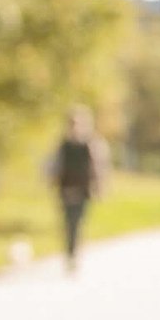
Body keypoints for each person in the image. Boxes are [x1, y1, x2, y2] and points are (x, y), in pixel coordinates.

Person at [45, 106, 108, 274]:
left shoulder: (91, 145)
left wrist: (100, 187)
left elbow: (98, 168)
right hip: (66, 190)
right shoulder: (63, 145)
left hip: (82, 191)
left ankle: (74, 254)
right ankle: (70, 254)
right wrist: (50, 181)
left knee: (78, 222)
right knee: (67, 223)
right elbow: (54, 166)